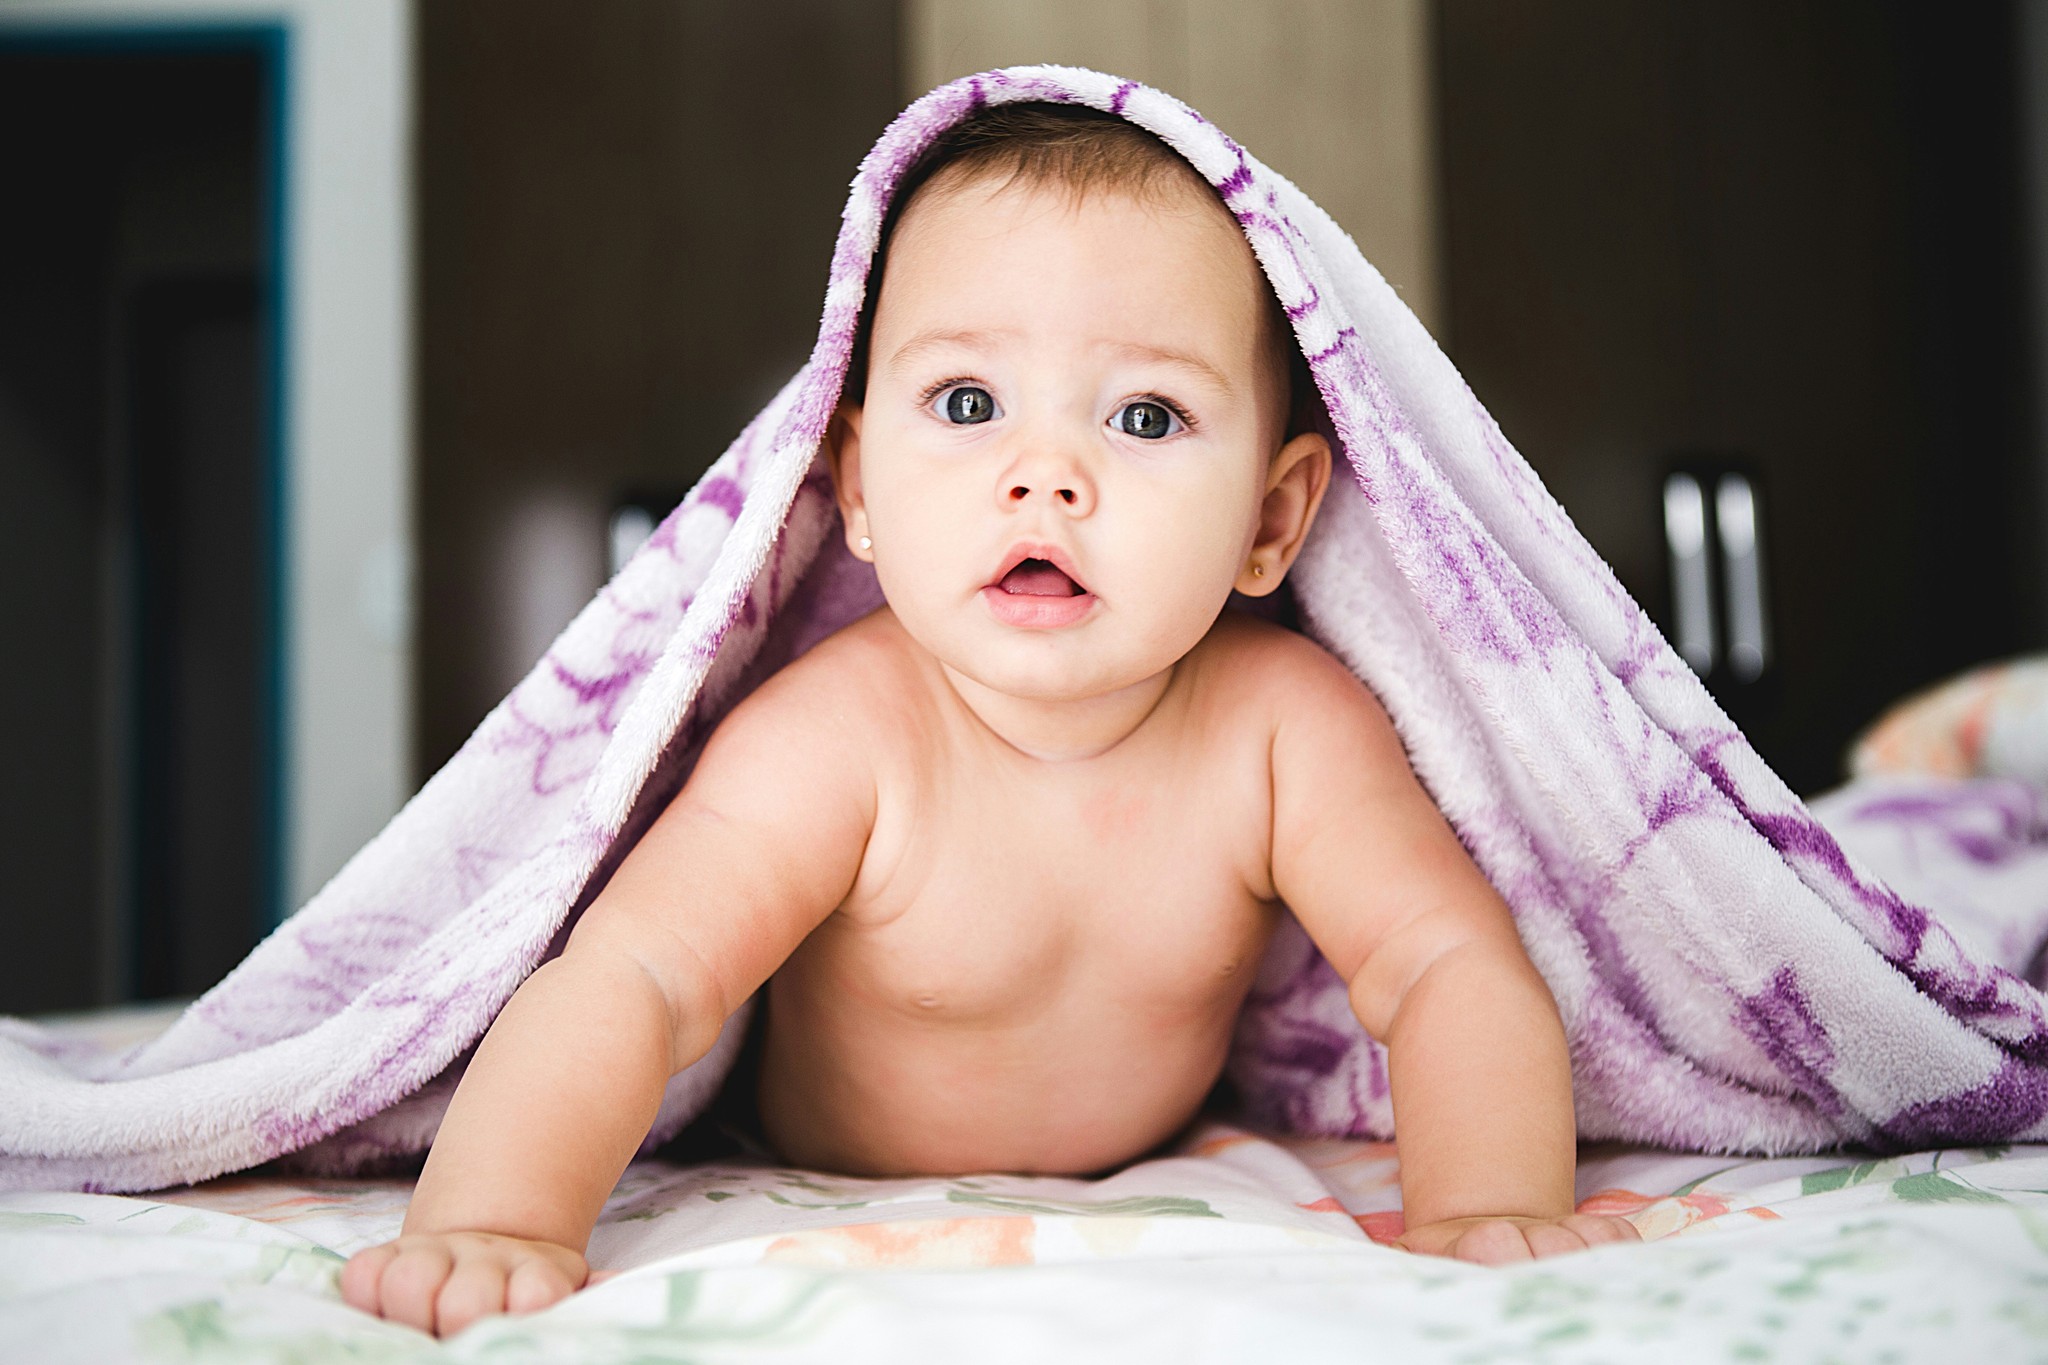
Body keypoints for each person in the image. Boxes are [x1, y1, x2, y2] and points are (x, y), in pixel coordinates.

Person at [341, 103, 1640, 1337]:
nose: (1045, 475)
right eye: (968, 403)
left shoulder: (1284, 728)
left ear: (1270, 519)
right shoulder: (840, 736)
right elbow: (639, 978)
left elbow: (1445, 964)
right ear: (854, 485)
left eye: (1145, 414)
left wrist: (1489, 1207)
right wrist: (501, 1217)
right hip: (820, 1157)